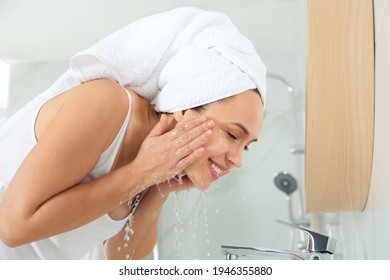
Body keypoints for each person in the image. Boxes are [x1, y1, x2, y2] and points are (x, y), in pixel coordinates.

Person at [0, 6, 266, 260]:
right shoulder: (105, 103)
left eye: (247, 146)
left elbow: (121, 257)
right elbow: (12, 228)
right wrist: (141, 173)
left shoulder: (155, 156)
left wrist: (159, 187)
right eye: (232, 135)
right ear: (185, 107)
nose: (238, 160)